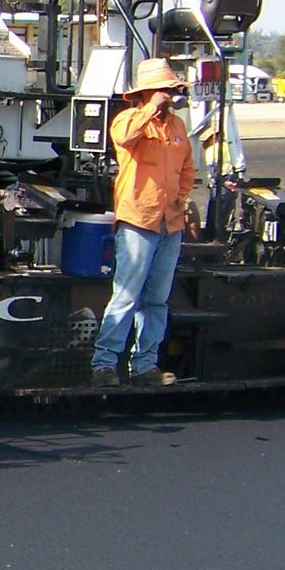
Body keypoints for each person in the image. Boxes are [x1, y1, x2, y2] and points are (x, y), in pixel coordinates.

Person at [91, 58, 197, 388]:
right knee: (126, 295)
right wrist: (151, 108)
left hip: (170, 223)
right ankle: (104, 364)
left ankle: (145, 364)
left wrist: (181, 196)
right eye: (163, 89)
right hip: (139, 219)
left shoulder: (177, 127)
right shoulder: (128, 120)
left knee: (156, 299)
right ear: (147, 92)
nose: (168, 95)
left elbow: (187, 168)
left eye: (170, 90)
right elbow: (124, 138)